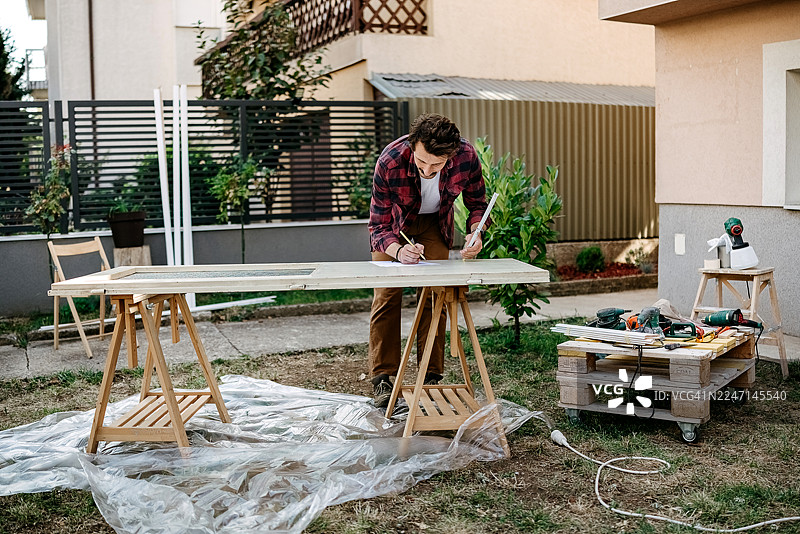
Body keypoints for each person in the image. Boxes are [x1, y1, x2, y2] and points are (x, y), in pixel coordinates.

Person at [368, 113, 491, 408]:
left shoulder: (467, 156)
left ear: (451, 155)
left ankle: (430, 376)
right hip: (395, 227)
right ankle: (384, 379)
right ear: (413, 146)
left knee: (436, 296)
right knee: (386, 295)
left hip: (436, 224)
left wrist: (476, 233)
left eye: (436, 165)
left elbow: (478, 204)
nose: (427, 169)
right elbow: (377, 226)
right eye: (422, 161)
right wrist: (398, 251)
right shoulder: (390, 160)